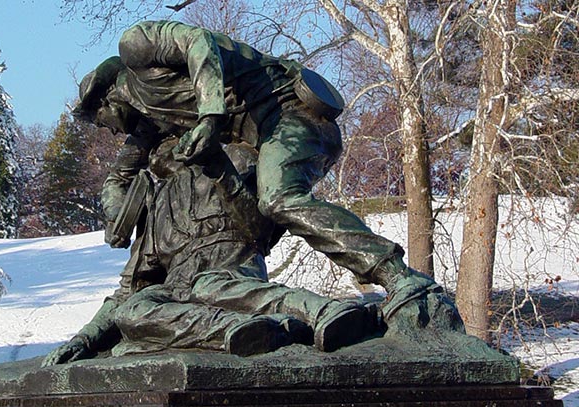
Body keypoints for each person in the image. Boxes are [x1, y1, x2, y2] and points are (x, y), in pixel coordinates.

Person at [72, 20, 462, 331]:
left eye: (101, 122)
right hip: (261, 138)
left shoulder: (135, 46)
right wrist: (116, 216)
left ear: (105, 99)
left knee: (278, 198)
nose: (109, 132)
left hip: (290, 112)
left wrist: (210, 118)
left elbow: (198, 44)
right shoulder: (149, 119)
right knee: (248, 221)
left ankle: (398, 276)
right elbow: (121, 175)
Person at [42, 139, 379, 365]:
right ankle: (243, 331)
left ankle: (322, 312)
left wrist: (220, 170)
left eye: (171, 138)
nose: (161, 150)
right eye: (156, 146)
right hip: (180, 292)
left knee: (212, 287)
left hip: (231, 269)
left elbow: (260, 228)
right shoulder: (158, 206)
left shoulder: (235, 160)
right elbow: (126, 293)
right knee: (132, 312)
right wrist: (85, 339)